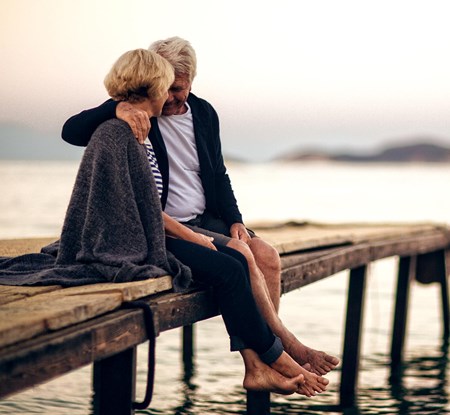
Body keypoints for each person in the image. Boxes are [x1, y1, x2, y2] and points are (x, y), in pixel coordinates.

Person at [61, 37, 339, 376]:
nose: (172, 96)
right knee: (241, 256)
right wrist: (115, 107)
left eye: (179, 88)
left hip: (205, 216)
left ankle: (269, 351)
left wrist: (234, 218)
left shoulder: (204, 113)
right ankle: (275, 352)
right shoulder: (140, 112)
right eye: (166, 87)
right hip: (169, 222)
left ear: (191, 81)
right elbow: (71, 131)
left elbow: (217, 173)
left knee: (265, 254)